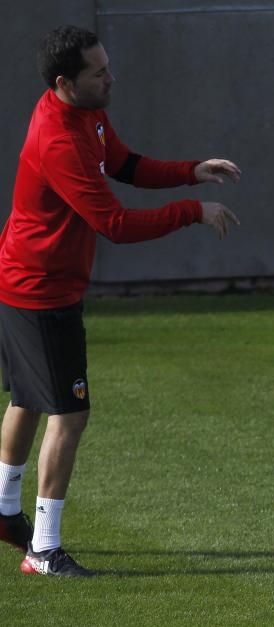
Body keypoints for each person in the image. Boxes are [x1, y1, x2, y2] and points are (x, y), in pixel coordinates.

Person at [0, 26, 241, 576]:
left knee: (27, 399)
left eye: (108, 66)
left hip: (22, 278)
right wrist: (192, 211)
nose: (111, 77)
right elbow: (113, 224)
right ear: (65, 83)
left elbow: (125, 163)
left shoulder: (87, 112)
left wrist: (189, 171)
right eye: (99, 72)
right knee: (70, 413)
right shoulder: (58, 139)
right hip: (41, 292)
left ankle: (2, 509)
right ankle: (43, 548)